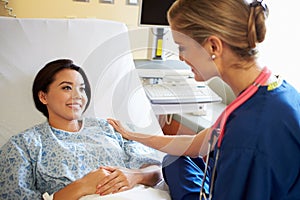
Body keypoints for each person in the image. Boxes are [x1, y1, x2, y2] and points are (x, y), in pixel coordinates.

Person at [108, 0, 300, 199]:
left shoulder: (247, 133)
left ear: (213, 46)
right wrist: (132, 135)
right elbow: (193, 145)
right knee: (175, 160)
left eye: (182, 47)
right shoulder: (276, 91)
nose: (181, 58)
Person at [0, 59, 164, 200]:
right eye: (67, 88)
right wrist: (82, 186)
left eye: (81, 88)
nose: (77, 95)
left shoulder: (109, 128)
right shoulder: (23, 145)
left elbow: (156, 171)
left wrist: (134, 175)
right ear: (43, 96)